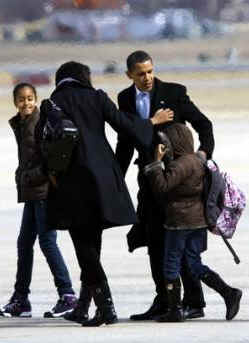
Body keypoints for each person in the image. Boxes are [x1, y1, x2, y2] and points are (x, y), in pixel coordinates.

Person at [40, 61, 174, 327]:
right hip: (102, 180)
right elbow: (124, 126)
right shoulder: (97, 97)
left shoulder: (52, 103)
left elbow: (42, 143)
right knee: (93, 244)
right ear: (83, 78)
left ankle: (105, 308)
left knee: (84, 248)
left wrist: (49, 175)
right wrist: (151, 122)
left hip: (72, 182)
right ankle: (83, 307)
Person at [115, 50, 215, 320]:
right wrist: (115, 178)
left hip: (176, 181)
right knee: (154, 240)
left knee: (179, 241)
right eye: (140, 74)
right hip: (148, 179)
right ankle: (165, 299)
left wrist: (203, 155)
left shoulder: (173, 92)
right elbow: (125, 142)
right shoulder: (124, 99)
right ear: (129, 75)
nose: (147, 78)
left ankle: (194, 302)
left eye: (150, 71)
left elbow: (204, 124)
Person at [143, 123, 242, 322]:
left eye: (167, 142)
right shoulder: (197, 160)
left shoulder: (181, 165)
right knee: (194, 263)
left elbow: (162, 187)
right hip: (198, 221)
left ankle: (174, 310)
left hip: (180, 221)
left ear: (175, 142)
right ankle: (229, 293)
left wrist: (156, 163)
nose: (165, 145)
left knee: (170, 264)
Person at [0, 83, 77, 318]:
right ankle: (21, 299)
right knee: (24, 244)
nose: (26, 103)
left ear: (36, 99)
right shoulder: (21, 123)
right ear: (15, 102)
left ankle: (68, 295)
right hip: (33, 192)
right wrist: (23, 176)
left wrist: (26, 176)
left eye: (30, 98)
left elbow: (49, 159)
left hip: (43, 191)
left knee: (47, 241)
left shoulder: (37, 122)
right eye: (22, 99)